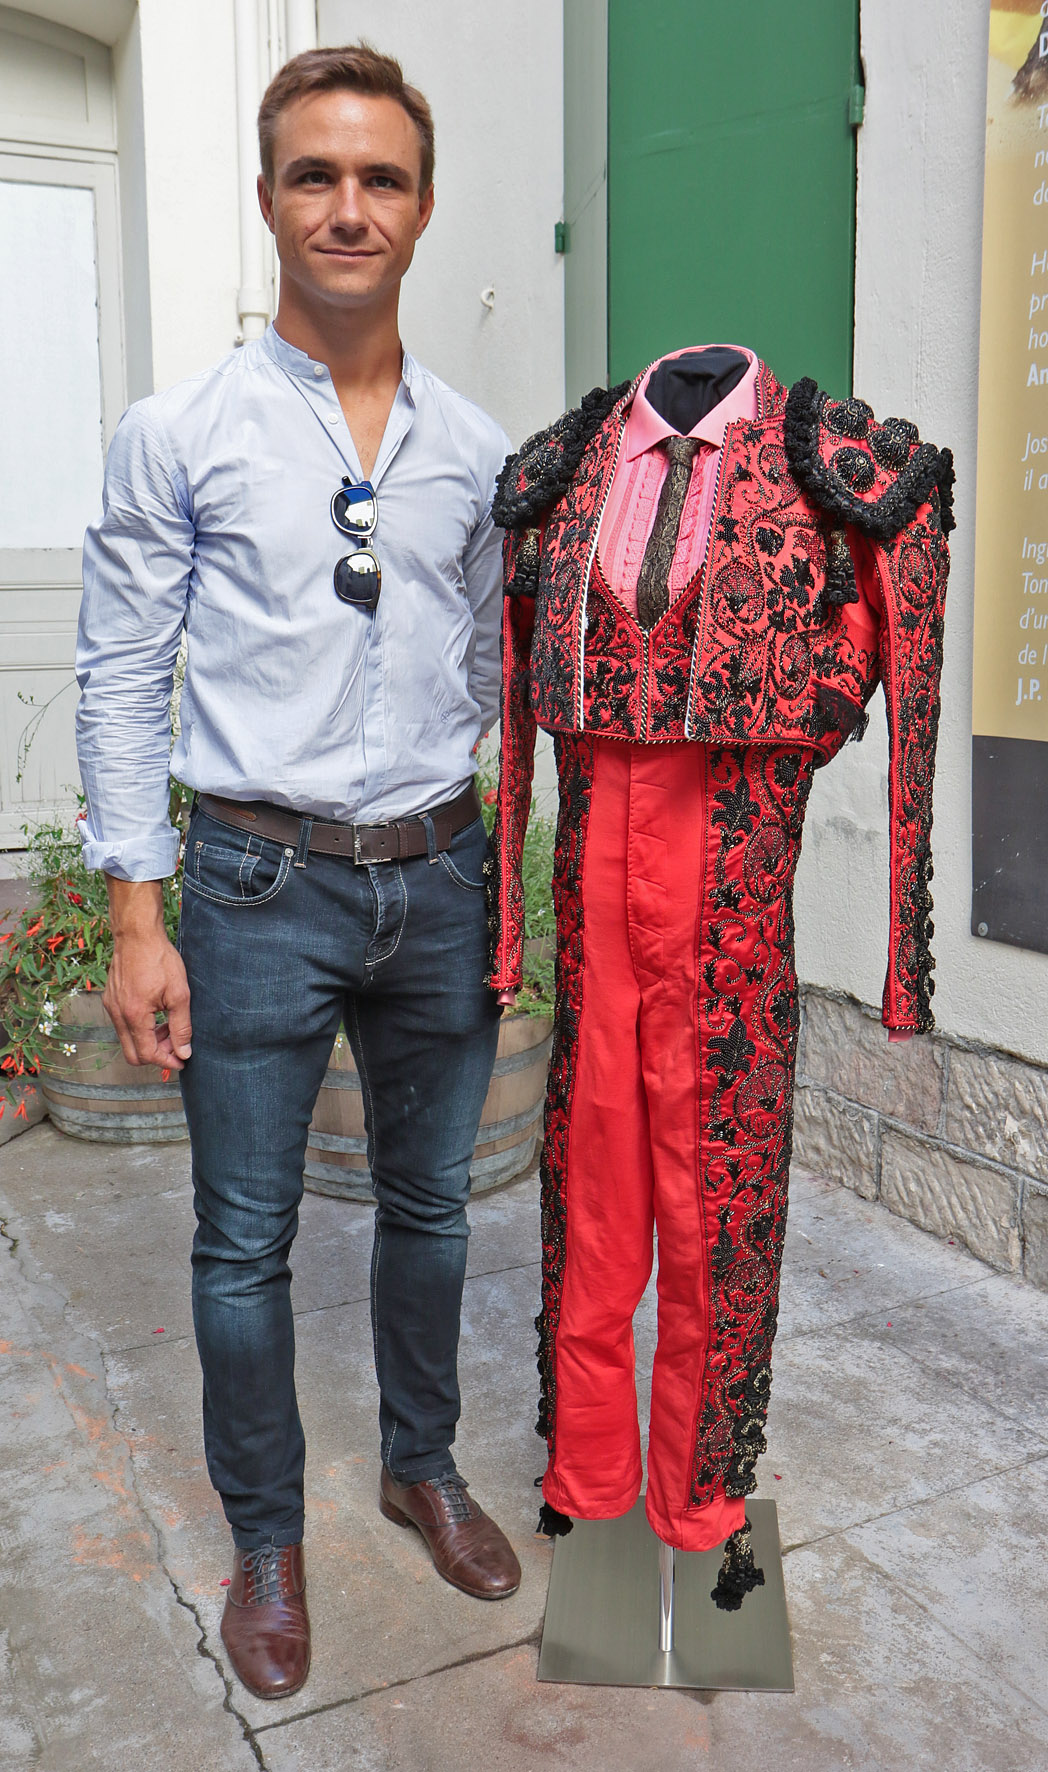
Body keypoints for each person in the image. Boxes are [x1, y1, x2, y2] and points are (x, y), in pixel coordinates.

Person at [75, 45, 521, 1703]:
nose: (350, 205)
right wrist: (136, 910)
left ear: (421, 205)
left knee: (431, 1212)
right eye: (317, 175)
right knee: (243, 1243)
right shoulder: (176, 429)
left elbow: (494, 670)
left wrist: (516, 875)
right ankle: (268, 1534)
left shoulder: (479, 453)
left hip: (443, 870)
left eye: (381, 177)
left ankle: (422, 1463)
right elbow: (122, 672)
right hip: (255, 887)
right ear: (268, 199)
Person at [488, 345, 952, 1607]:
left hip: (729, 893)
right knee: (590, 1186)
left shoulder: (819, 456)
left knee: (714, 1203)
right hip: (594, 886)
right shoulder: (574, 459)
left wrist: (810, 700)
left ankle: (697, 1499)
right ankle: (586, 1482)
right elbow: (520, 650)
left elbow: (883, 610)